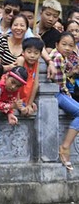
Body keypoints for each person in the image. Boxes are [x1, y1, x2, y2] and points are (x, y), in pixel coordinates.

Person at [50, 32, 79, 170]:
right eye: (64, 44)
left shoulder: (61, 57)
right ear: (57, 44)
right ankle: (65, 146)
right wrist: (69, 96)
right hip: (55, 93)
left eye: (70, 46)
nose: (67, 48)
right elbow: (60, 84)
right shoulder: (57, 58)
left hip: (58, 92)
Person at [14, 37, 44, 116]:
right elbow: (16, 81)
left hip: (26, 99)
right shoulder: (21, 60)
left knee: (30, 111)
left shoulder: (36, 63)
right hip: (16, 97)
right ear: (23, 52)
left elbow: (35, 84)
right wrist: (18, 102)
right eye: (29, 52)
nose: (32, 56)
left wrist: (29, 104)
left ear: (40, 55)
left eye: (36, 53)